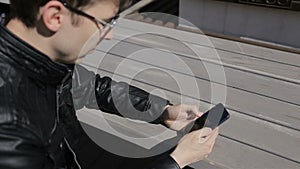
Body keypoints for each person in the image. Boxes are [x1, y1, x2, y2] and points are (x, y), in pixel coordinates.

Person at [0, 0, 219, 169]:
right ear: (55, 16)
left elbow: (89, 86)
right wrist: (176, 161)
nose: (110, 34)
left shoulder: (38, 54)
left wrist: (162, 110)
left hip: (71, 149)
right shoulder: (10, 131)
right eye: (105, 22)